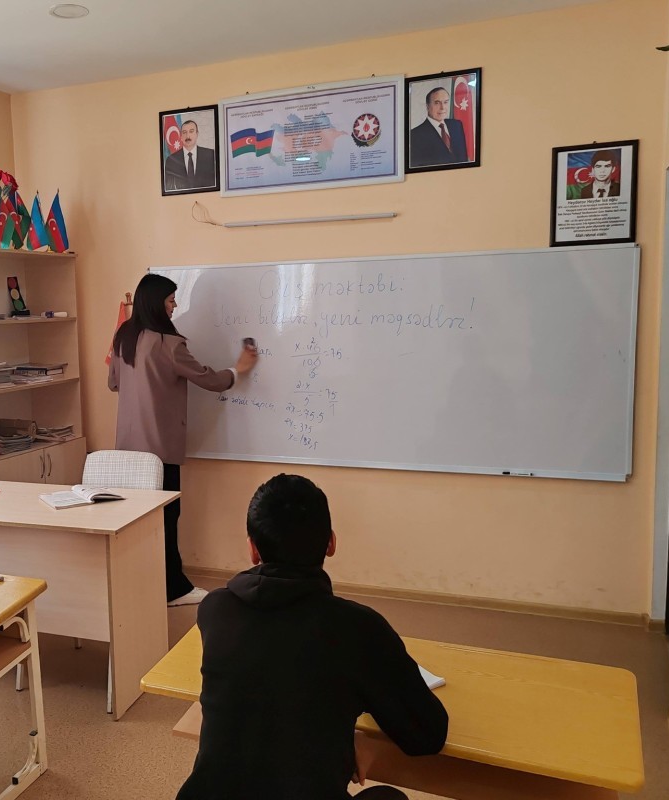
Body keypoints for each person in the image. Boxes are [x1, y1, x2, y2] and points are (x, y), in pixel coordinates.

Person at [176, 474, 448, 800]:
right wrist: (366, 745)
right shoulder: (359, 628)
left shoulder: (214, 609)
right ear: (331, 543)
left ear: (252, 549)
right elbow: (428, 734)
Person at [109, 273, 257, 606]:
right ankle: (173, 590)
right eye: (171, 299)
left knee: (137, 520)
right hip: (159, 449)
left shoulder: (124, 336)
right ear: (156, 303)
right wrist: (239, 370)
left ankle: (143, 584)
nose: (175, 306)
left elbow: (113, 383)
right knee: (167, 517)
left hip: (127, 449)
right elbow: (210, 380)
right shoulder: (169, 344)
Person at [408, 86, 468, 168]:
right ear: (427, 106)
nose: (442, 108)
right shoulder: (415, 135)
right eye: (437, 103)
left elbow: (464, 158)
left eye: (445, 102)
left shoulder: (457, 125)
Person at [164, 119, 217, 192]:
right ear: (181, 136)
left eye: (191, 131)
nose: (188, 136)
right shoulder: (171, 160)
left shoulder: (211, 155)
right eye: (184, 132)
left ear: (197, 134)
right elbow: (169, 189)